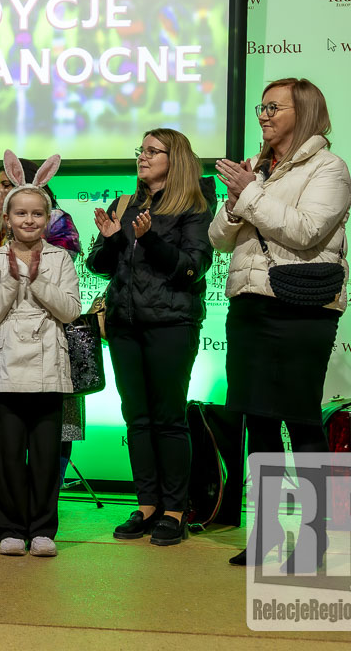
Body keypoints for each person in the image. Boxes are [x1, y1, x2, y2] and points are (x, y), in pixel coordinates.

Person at [210, 78, 351, 567]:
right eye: (262, 107)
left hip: (301, 308)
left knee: (301, 420)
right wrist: (237, 199)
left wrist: (249, 193)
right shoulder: (258, 167)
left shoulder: (328, 167)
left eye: (274, 107)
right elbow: (219, 239)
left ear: (304, 112)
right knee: (259, 422)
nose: (264, 115)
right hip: (250, 306)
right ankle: (265, 534)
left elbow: (306, 231)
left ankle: (313, 539)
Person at [85, 128, 214, 546]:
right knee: (136, 418)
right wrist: (110, 240)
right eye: (141, 150)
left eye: (153, 151)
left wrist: (151, 240)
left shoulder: (195, 205)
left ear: (175, 159)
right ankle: (147, 505)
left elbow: (193, 267)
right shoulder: (125, 204)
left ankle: (175, 509)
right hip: (124, 325)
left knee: (168, 418)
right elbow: (99, 266)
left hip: (171, 324)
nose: (142, 156)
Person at [0, 158, 82, 557]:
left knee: (44, 458)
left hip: (48, 370)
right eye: (21, 213)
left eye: (37, 213)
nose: (29, 220)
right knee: (7, 457)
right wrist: (11, 279)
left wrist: (37, 281)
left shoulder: (60, 259)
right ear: (7, 218)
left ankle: (42, 530)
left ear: (48, 218)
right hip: (5, 372)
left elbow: (70, 311)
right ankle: (10, 529)